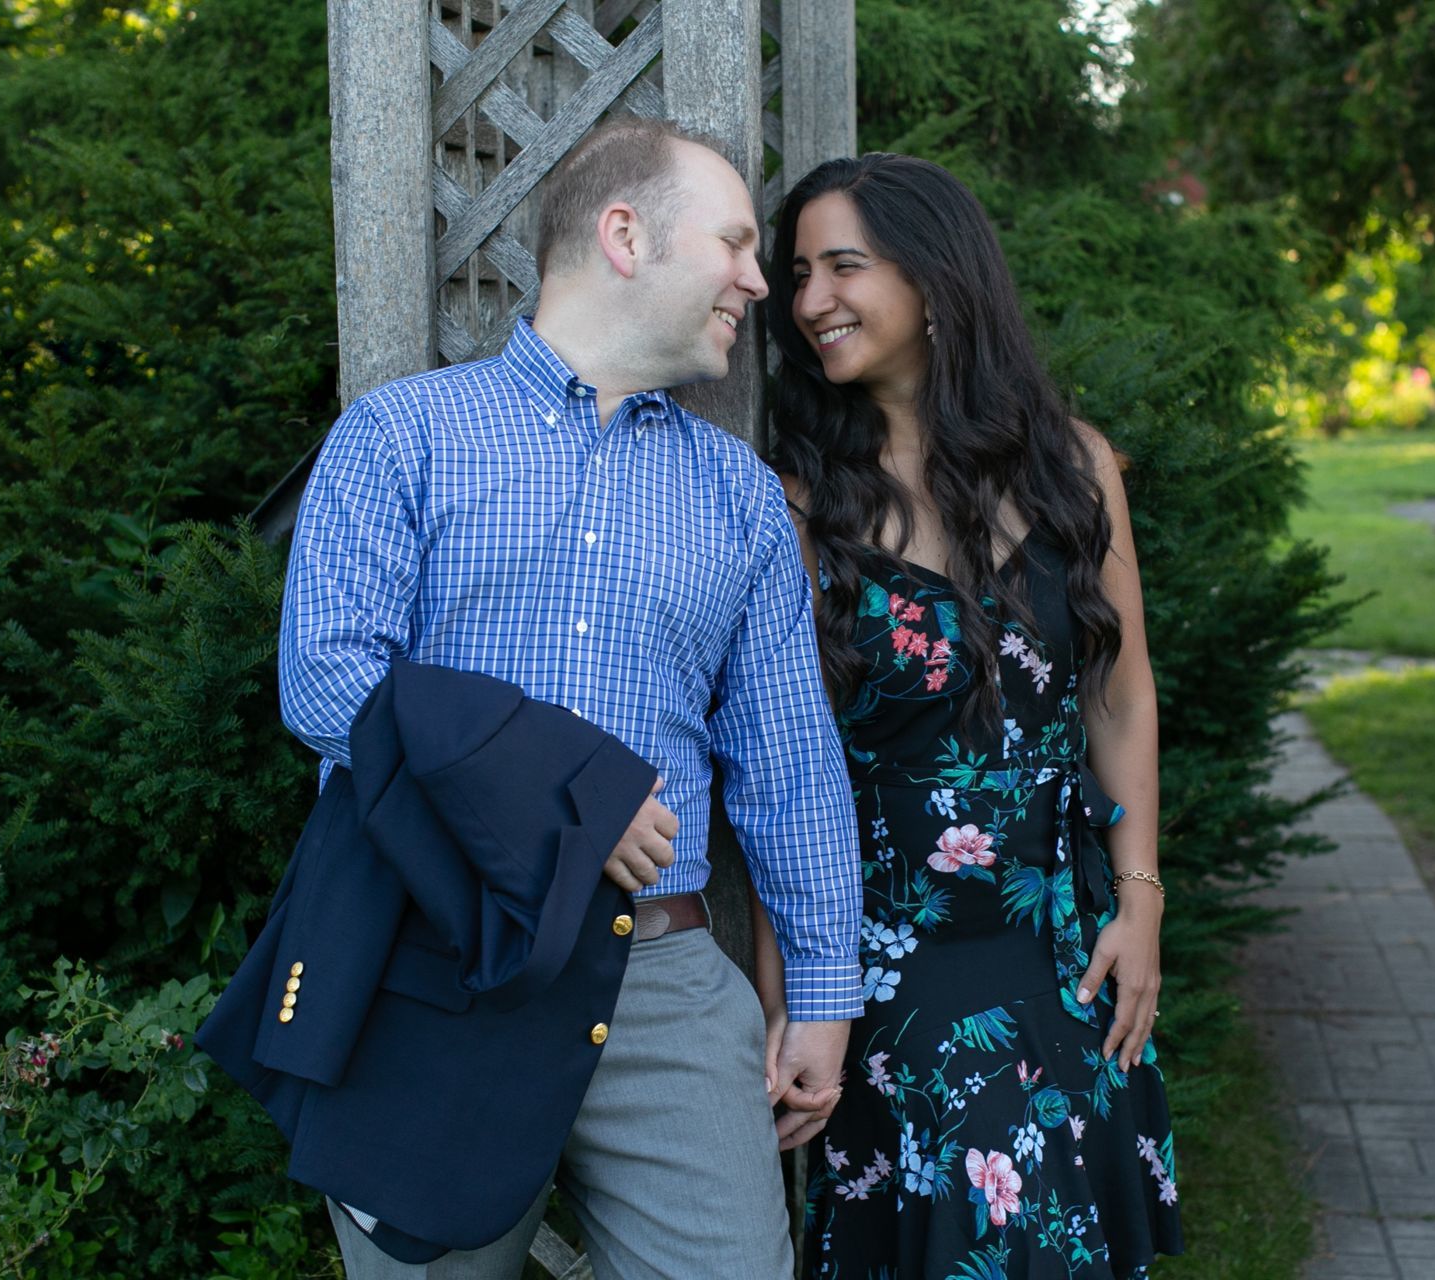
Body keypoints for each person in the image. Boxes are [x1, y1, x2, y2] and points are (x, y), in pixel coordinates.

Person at [276, 118, 861, 1278]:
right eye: (737, 243)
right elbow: (328, 681)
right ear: (626, 233)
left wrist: (827, 991)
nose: (760, 279)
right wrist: (570, 796)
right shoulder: (404, 439)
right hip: (435, 961)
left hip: (668, 984)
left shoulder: (737, 495)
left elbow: (790, 764)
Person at [758, 153, 1186, 1278]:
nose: (809, 302)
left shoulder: (1073, 467)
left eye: (842, 265)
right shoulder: (798, 498)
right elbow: (781, 773)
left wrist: (1139, 897)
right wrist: (795, 1000)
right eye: (798, 273)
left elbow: (1119, 689)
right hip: (896, 979)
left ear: (939, 281)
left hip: (1064, 955)